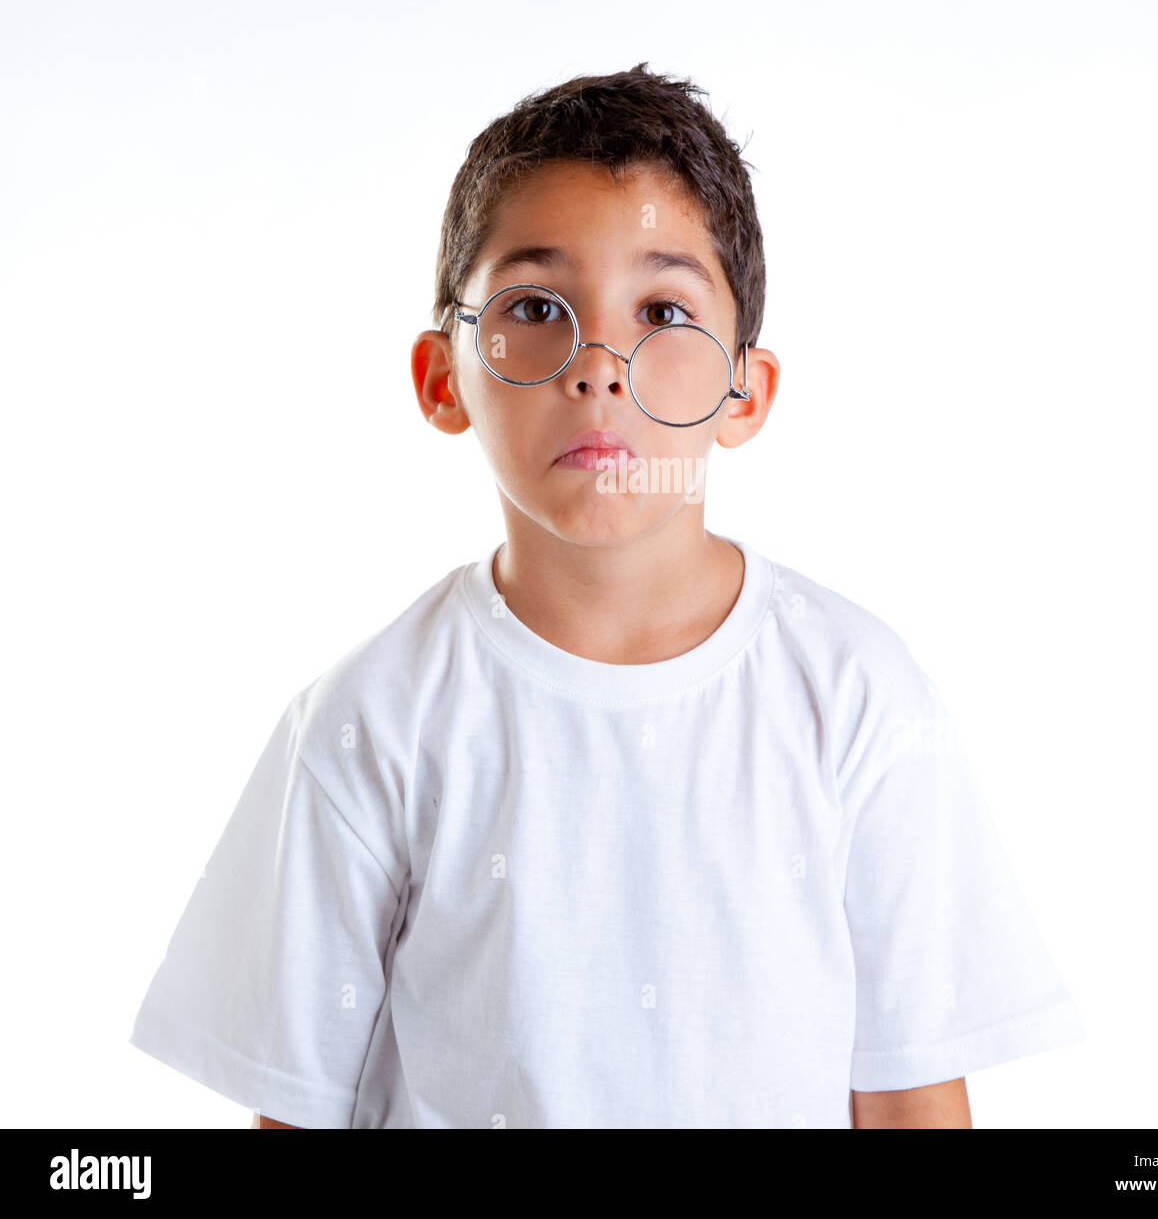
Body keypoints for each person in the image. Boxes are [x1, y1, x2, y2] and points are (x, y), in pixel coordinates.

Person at [128, 63, 1085, 1129]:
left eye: (662, 309)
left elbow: (910, 1100)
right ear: (443, 376)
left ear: (744, 391)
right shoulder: (369, 724)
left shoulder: (857, 698)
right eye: (536, 307)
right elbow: (295, 1107)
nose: (599, 365)